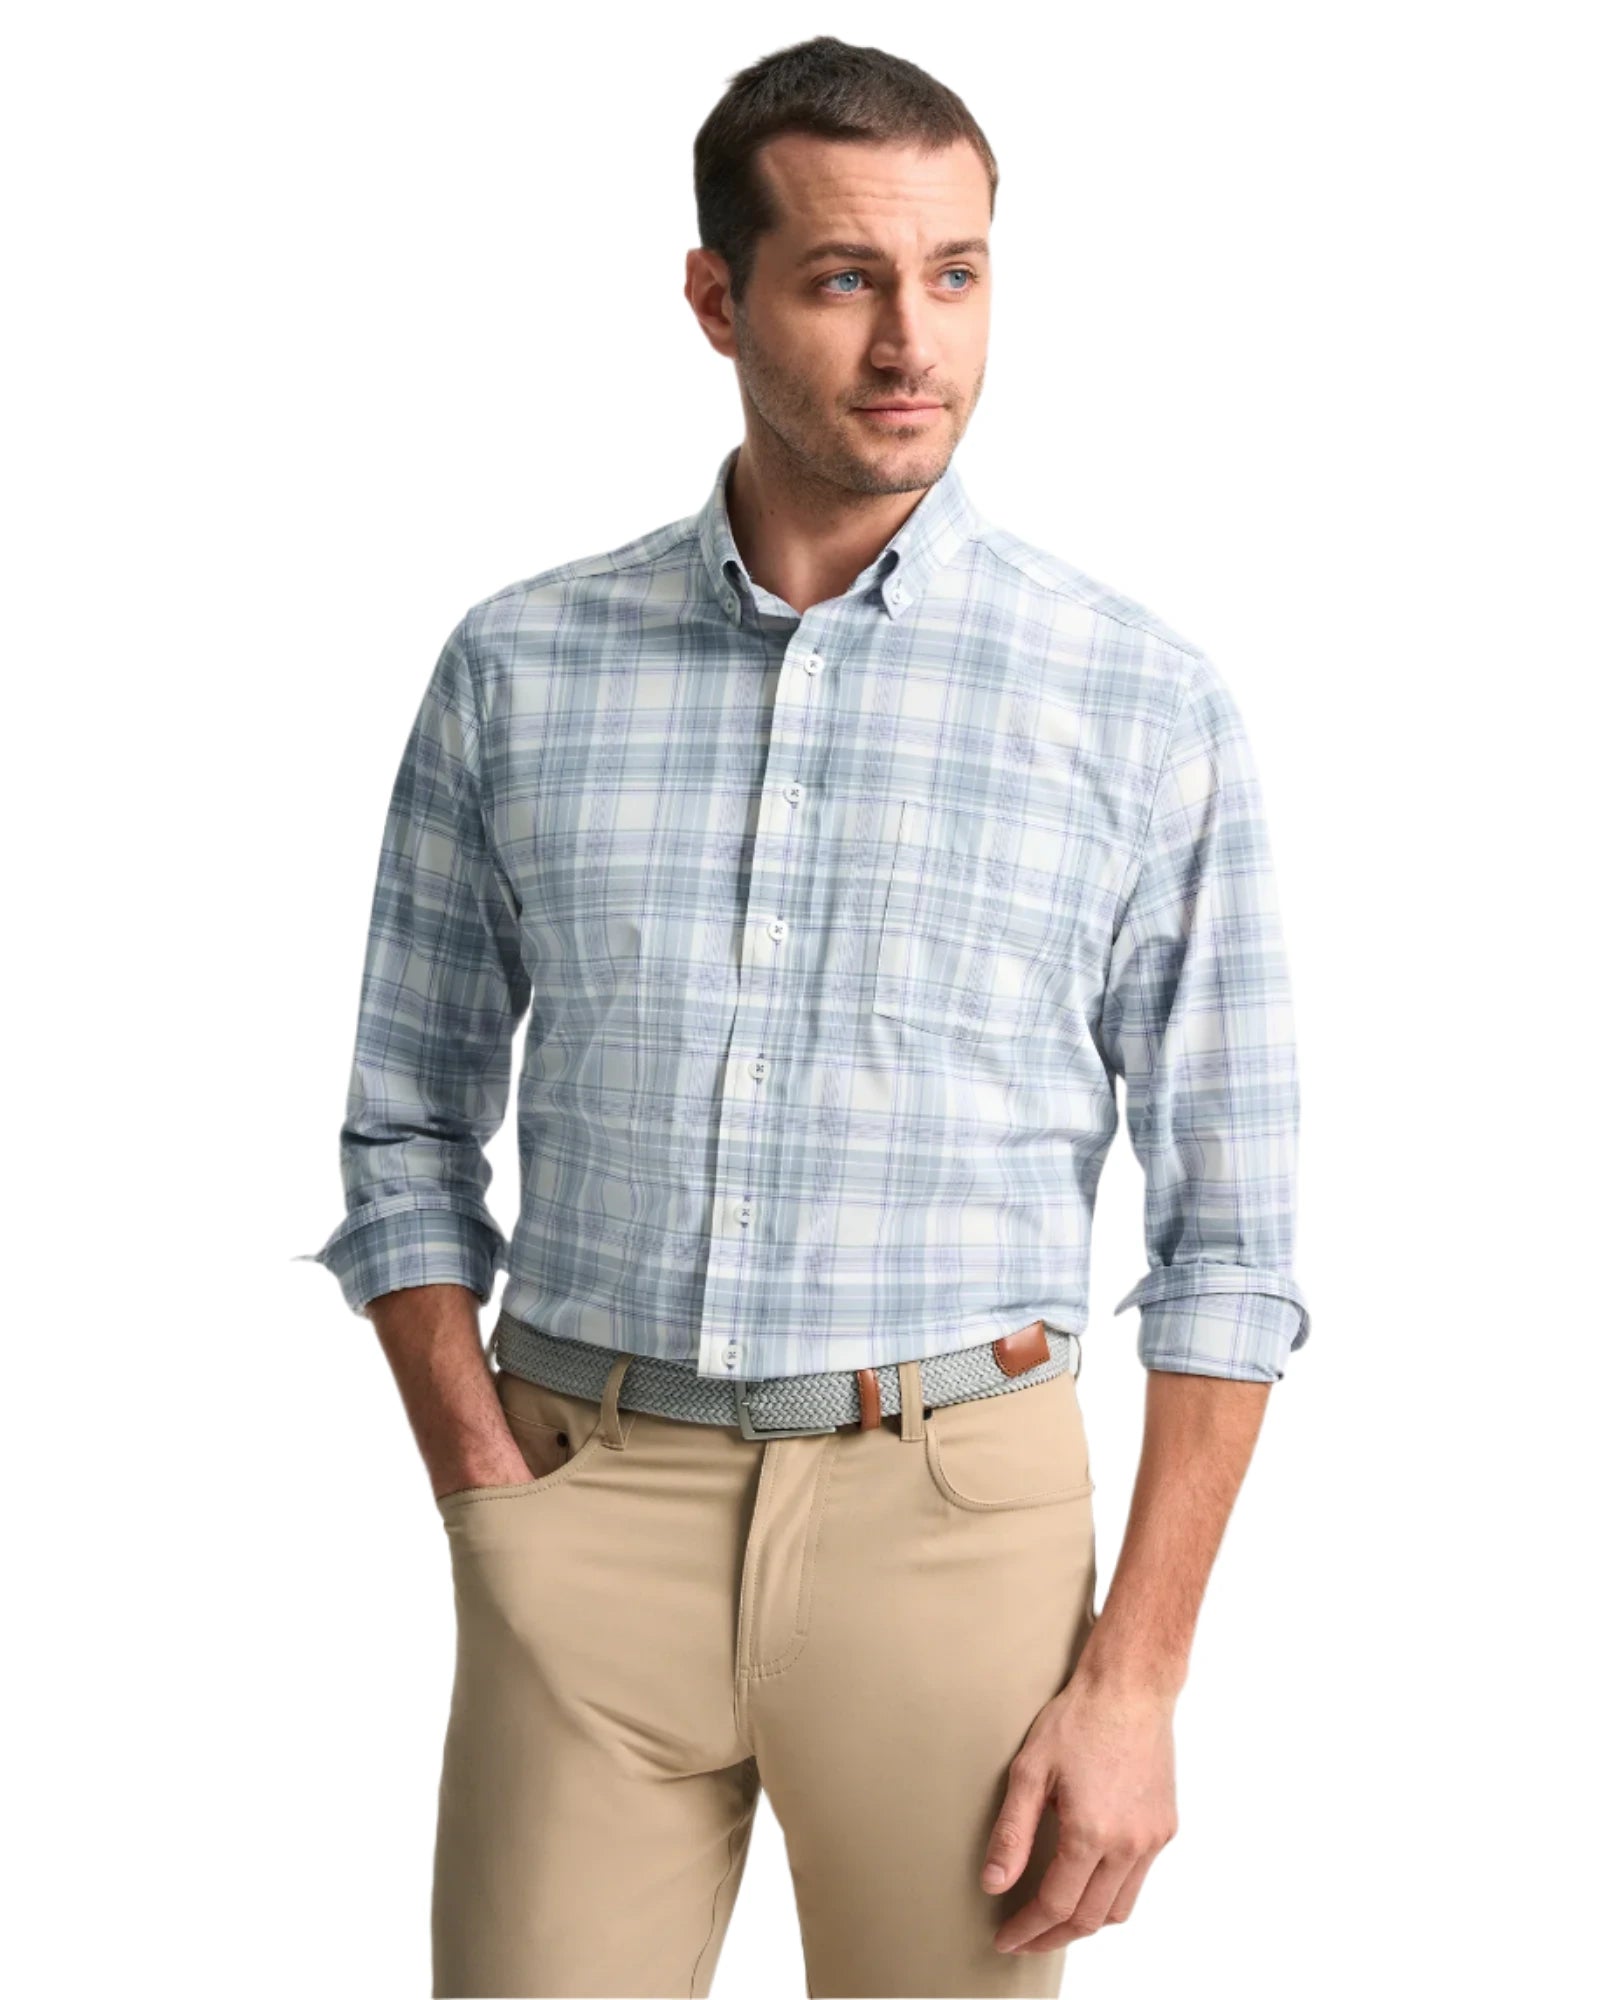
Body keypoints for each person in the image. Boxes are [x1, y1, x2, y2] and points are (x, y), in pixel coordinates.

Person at [302, 33, 1311, 2000]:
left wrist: (1135, 1678)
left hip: (954, 1524)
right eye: (845, 276)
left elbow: (1232, 1244)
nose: (910, 342)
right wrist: (479, 1484)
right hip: (579, 1501)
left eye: (955, 272)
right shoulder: (518, 668)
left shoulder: (1137, 702)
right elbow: (404, 1126)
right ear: (717, 296)